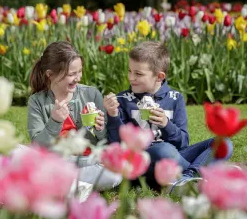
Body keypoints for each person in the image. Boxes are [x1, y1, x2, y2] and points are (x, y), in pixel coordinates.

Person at [103, 41, 233, 192]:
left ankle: (188, 177)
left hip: (175, 156)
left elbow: (183, 143)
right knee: (162, 149)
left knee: (224, 143)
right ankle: (206, 173)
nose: (131, 77)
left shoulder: (175, 98)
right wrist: (112, 116)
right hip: (142, 161)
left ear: (159, 76)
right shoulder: (123, 99)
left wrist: (166, 124)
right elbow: (117, 144)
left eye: (138, 74)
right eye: (130, 71)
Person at [27, 41, 121, 191]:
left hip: (89, 160)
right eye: (71, 74)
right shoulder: (37, 101)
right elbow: (38, 145)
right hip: (56, 161)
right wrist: (55, 121)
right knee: (17, 152)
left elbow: (106, 142)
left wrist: (100, 128)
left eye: (79, 72)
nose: (78, 78)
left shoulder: (91, 94)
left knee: (115, 172)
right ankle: (75, 182)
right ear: (50, 75)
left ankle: (62, 181)